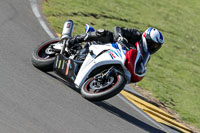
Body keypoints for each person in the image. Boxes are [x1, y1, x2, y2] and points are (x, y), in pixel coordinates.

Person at [65, 26, 164, 82]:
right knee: (104, 33)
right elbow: (117, 28)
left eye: (156, 46)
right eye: (152, 44)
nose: (153, 47)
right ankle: (73, 40)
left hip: (119, 60)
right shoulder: (136, 34)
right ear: (146, 37)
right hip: (111, 46)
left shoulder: (145, 56)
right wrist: (120, 37)